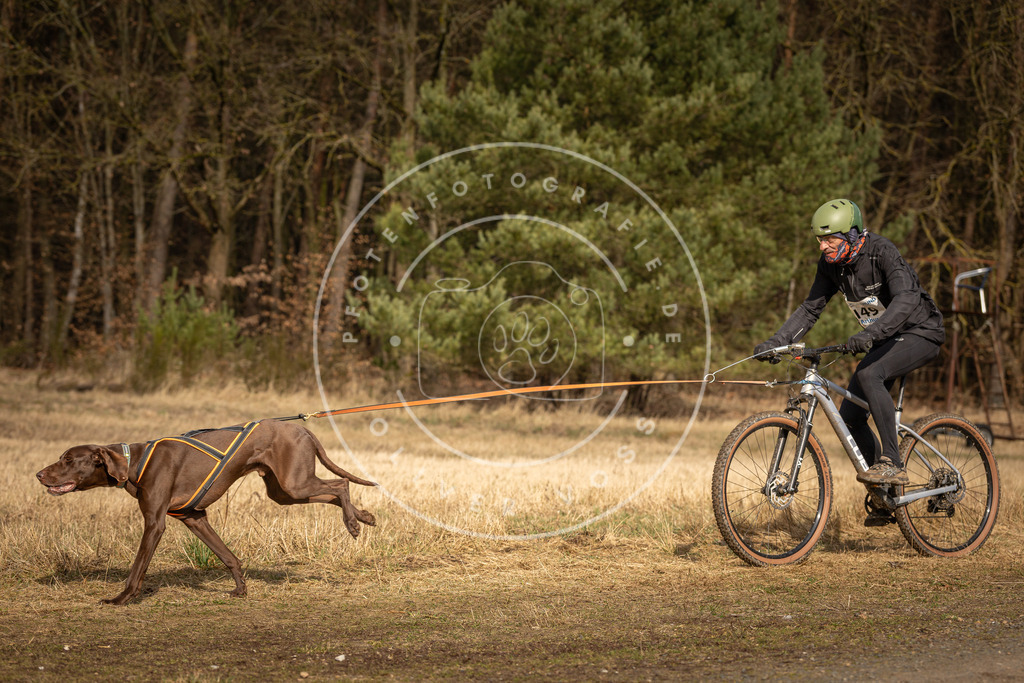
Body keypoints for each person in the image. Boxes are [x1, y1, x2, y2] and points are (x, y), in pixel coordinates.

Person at [754, 198, 945, 490]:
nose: (822, 246)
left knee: (870, 374)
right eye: (819, 240)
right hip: (885, 337)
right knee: (851, 417)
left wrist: (872, 333)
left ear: (851, 234)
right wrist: (777, 341)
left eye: (829, 239)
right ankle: (883, 496)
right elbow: (810, 309)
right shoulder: (831, 266)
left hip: (921, 331)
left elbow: (906, 298)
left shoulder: (881, 251)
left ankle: (892, 463)